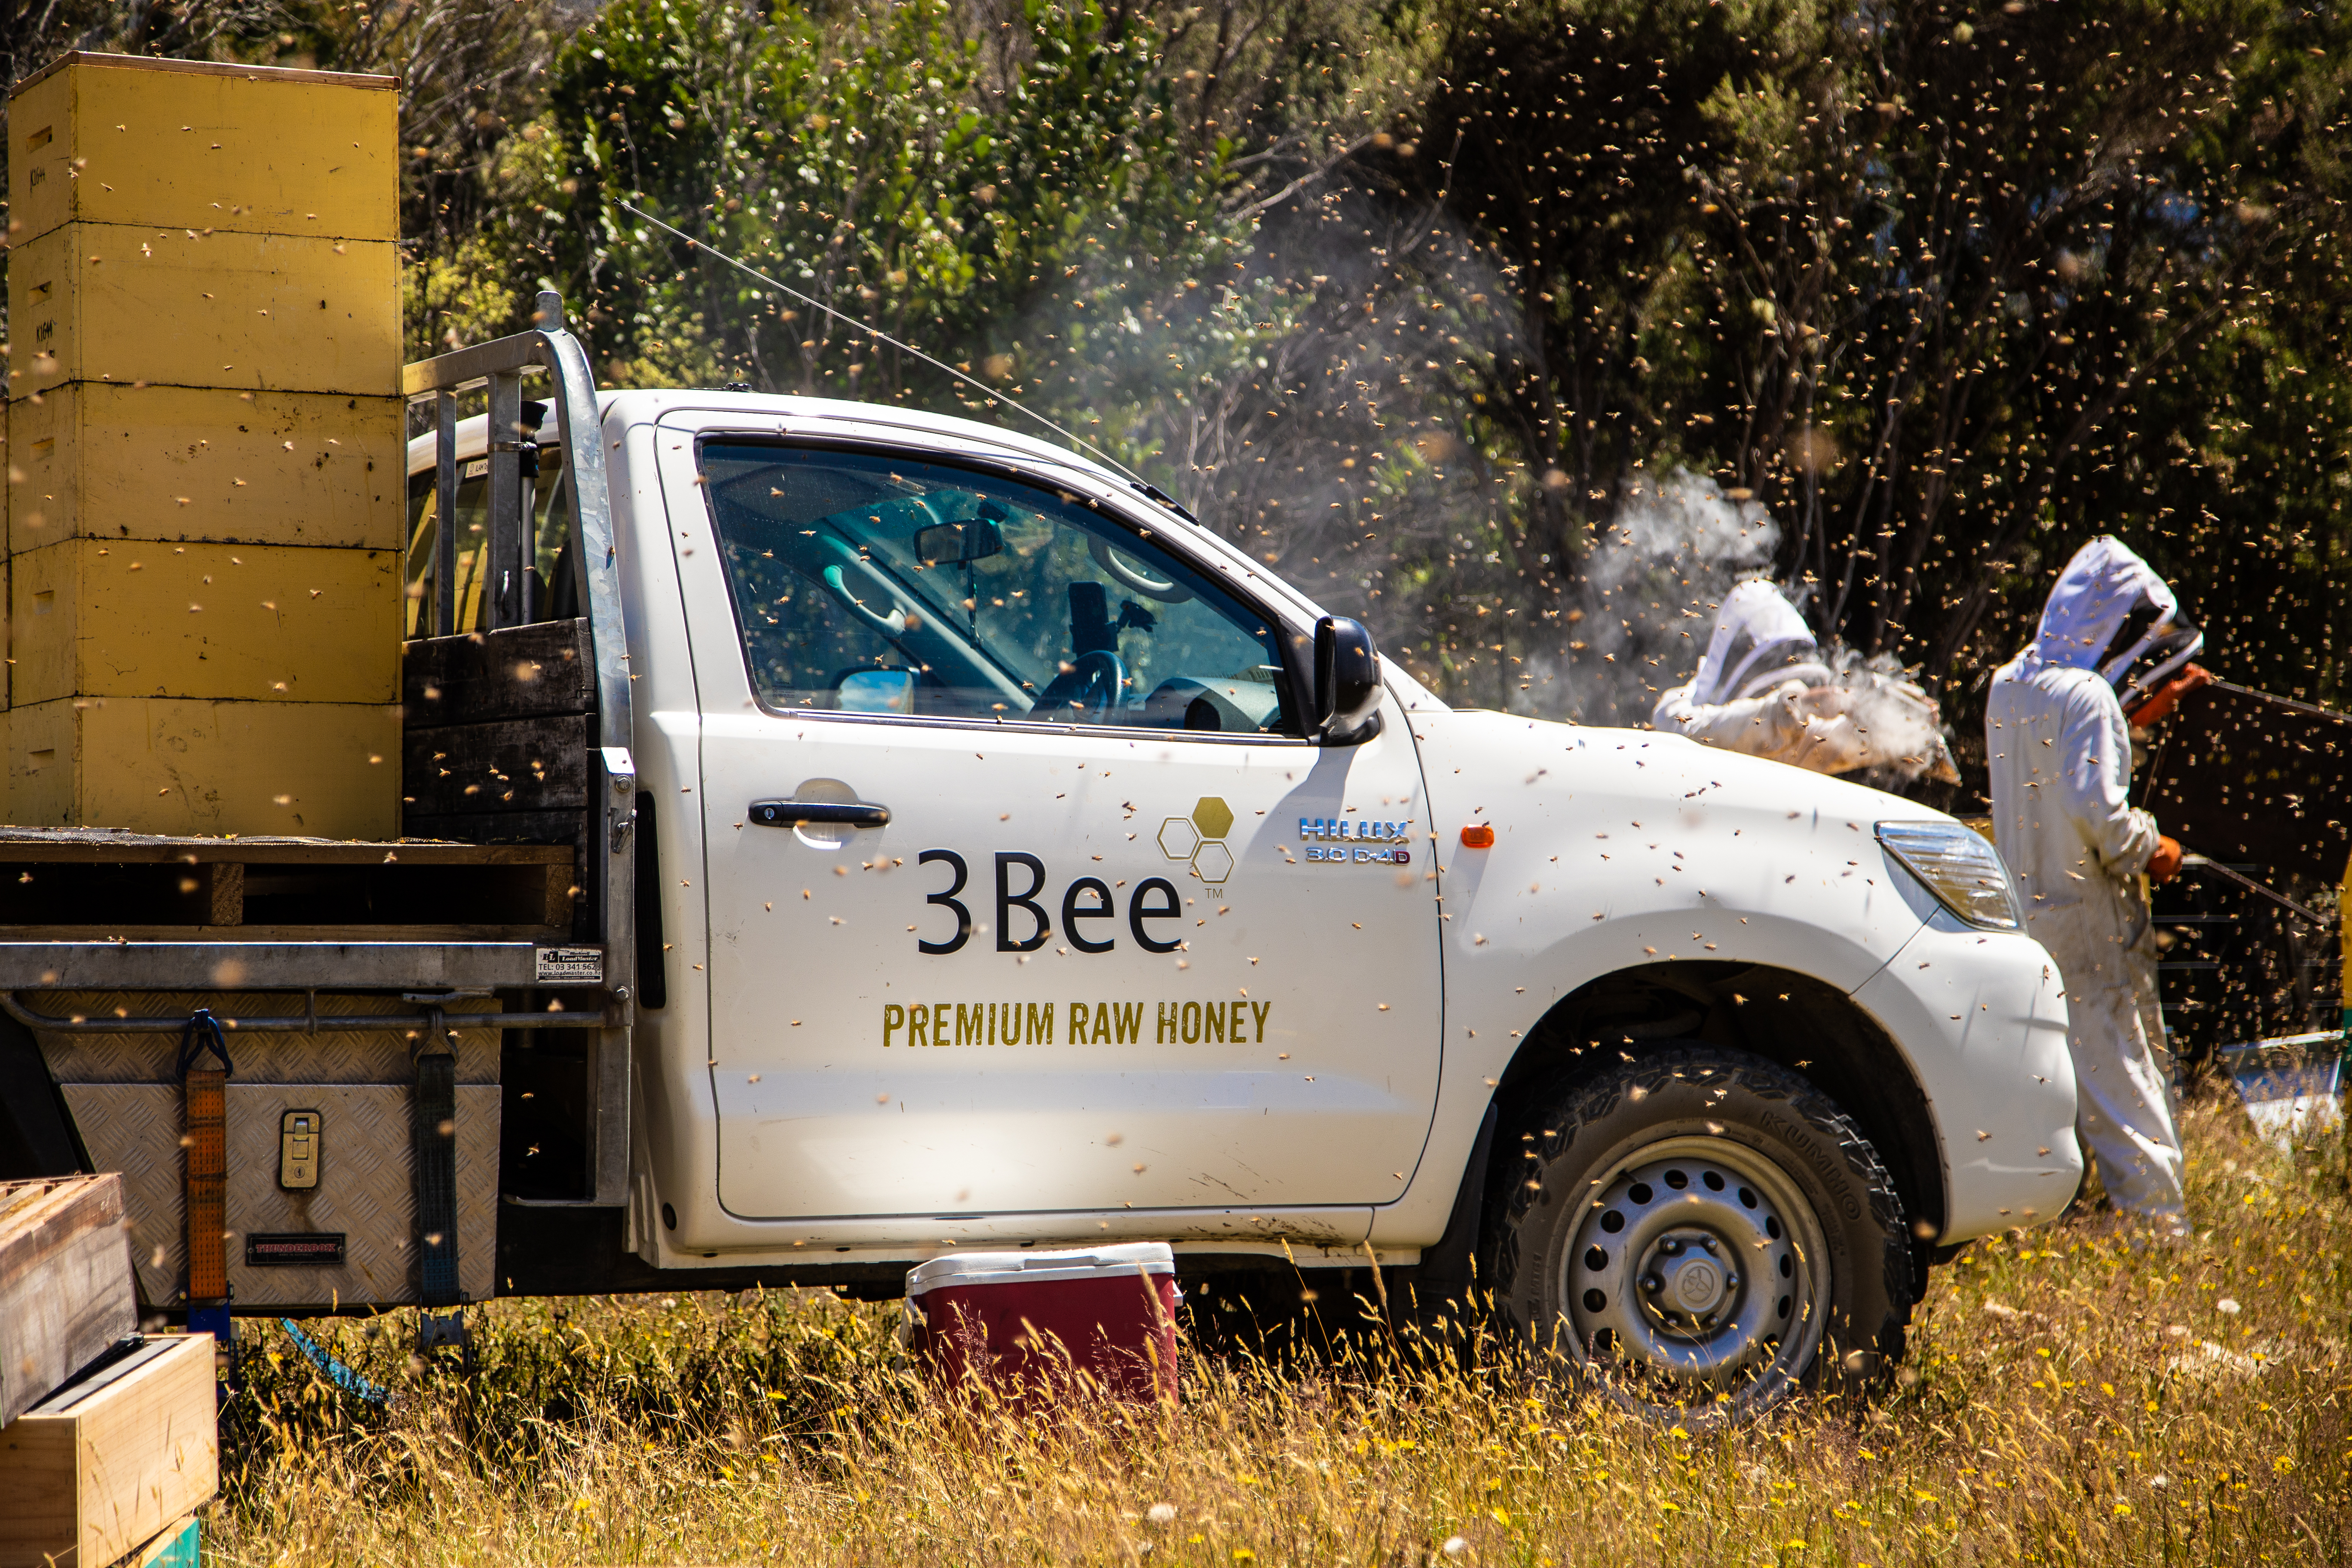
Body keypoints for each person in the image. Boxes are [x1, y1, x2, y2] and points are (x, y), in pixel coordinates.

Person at [1986, 536, 2211, 1235]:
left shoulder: (2010, 682)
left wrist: (2154, 703)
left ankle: (2062, 1211)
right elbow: (2100, 815)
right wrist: (2155, 848)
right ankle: (2156, 1226)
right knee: (2122, 1071)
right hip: (2087, 913)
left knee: (2053, 1071)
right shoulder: (2085, 697)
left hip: (2027, 910)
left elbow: (2061, 763)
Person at [1652, 579, 1957, 781]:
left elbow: (1842, 742)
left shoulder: (1791, 738)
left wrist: (1900, 729)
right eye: (1773, 689)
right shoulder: (1676, 715)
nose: (1776, 697)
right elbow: (1704, 728)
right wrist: (1813, 702)